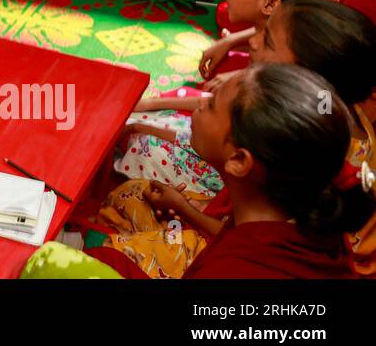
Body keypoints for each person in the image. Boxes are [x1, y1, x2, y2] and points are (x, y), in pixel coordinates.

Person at [94, 65, 369, 279]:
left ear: (238, 160)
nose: (200, 104)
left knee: (103, 260)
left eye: (211, 105)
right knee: (132, 196)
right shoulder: (297, 210)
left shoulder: (235, 268)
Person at [197, 0, 329, 80]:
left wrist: (239, 81)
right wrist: (230, 40)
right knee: (224, 11)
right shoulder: (289, 27)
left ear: (270, 4)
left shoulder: (288, 61)